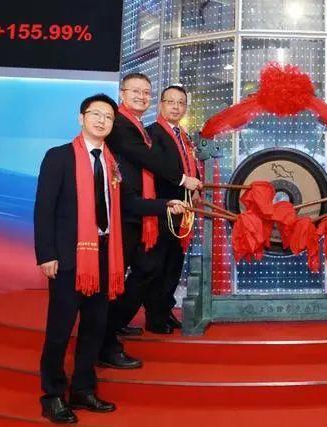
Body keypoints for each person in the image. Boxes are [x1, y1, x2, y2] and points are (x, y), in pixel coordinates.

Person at [34, 94, 185, 423]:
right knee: (60, 330)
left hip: (105, 256)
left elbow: (129, 203)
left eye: (108, 117)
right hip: (68, 258)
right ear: (81, 118)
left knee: (94, 327)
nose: (102, 121)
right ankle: (53, 395)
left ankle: (83, 389)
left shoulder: (112, 163)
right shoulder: (59, 157)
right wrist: (46, 254)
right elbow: (44, 209)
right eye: (96, 114)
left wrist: (165, 205)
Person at [99, 73, 201, 369]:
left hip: (147, 209)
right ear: (122, 93)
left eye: (146, 92)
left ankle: (113, 329)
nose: (141, 96)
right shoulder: (124, 126)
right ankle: (107, 339)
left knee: (148, 269)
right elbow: (150, 162)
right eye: (136, 91)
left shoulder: (138, 127)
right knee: (138, 272)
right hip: (133, 212)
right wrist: (182, 181)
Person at [146, 85, 202, 332]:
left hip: (183, 210)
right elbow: (160, 169)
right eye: (171, 102)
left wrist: (196, 187)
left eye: (181, 103)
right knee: (159, 265)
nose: (176, 107)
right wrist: (184, 183)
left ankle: (165, 310)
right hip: (164, 208)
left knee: (174, 264)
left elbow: (190, 166)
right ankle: (155, 317)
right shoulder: (152, 133)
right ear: (161, 105)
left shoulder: (183, 135)